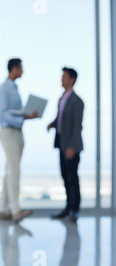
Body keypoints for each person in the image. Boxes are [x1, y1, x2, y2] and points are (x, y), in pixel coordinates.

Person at [0, 58, 38, 222]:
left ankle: (3, 208)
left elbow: (15, 112)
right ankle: (16, 210)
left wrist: (28, 116)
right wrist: (23, 117)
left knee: (10, 170)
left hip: (18, 131)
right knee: (14, 170)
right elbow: (4, 114)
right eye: (21, 68)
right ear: (14, 69)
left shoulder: (15, 88)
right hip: (8, 131)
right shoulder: (2, 89)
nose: (23, 71)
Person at [48, 67, 84, 223]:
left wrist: (71, 147)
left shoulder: (77, 101)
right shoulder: (62, 98)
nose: (61, 79)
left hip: (71, 147)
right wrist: (52, 124)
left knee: (72, 178)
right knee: (65, 177)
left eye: (64, 76)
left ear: (72, 79)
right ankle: (68, 207)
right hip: (61, 144)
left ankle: (75, 210)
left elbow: (77, 126)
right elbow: (60, 119)